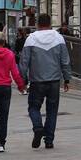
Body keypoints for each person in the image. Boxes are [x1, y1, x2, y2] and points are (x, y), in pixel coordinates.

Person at [19, 13, 71, 150]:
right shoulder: (59, 38)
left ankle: (37, 127)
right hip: (54, 81)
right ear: (50, 23)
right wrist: (67, 78)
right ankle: (49, 140)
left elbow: (24, 62)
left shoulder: (31, 39)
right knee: (52, 111)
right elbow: (65, 60)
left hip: (37, 81)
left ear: (37, 24)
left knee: (33, 107)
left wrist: (22, 80)